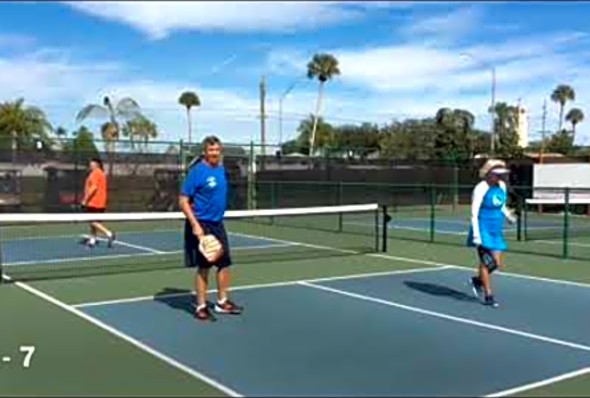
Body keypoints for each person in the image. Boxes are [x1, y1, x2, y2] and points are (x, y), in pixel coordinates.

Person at [179, 135, 243, 322]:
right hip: (202, 224)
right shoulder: (197, 172)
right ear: (205, 152)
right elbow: (183, 201)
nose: (214, 153)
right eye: (210, 150)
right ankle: (201, 305)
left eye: (217, 150)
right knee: (204, 266)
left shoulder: (222, 170)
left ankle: (222, 302)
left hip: (218, 224)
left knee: (224, 264)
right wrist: (196, 226)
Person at [467, 159, 517, 308]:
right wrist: (476, 235)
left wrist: (508, 216)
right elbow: (474, 213)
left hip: (496, 228)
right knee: (487, 263)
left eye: (501, 174)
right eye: (497, 174)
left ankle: (477, 280)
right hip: (483, 228)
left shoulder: (501, 186)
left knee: (497, 264)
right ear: (488, 174)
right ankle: (489, 295)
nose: (500, 177)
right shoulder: (480, 188)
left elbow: (501, 206)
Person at [81, 158, 115, 248]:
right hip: (99, 202)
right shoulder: (99, 173)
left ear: (97, 164)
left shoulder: (96, 173)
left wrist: (85, 199)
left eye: (92, 163)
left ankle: (109, 233)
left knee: (92, 221)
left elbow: (93, 187)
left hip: (94, 202)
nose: (90, 165)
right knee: (94, 222)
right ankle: (93, 240)